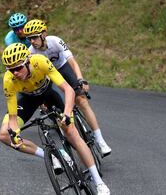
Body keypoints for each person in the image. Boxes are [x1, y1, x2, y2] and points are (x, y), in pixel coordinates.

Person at [0, 43, 110, 195]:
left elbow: (68, 89)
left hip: (48, 95)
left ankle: (99, 182)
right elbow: (12, 115)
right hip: (28, 100)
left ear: (28, 61)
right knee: (4, 135)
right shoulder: (8, 79)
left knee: (71, 132)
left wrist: (67, 114)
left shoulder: (40, 61)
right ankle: (49, 155)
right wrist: (15, 134)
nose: (15, 73)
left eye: (18, 68)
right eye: (11, 69)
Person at [23, 19, 112, 157]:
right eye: (29, 39)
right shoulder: (30, 53)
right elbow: (36, 81)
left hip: (63, 67)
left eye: (34, 37)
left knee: (81, 100)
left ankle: (100, 140)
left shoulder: (55, 41)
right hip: (48, 75)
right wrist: (41, 102)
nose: (32, 41)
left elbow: (73, 62)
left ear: (44, 34)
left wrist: (81, 79)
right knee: (56, 110)